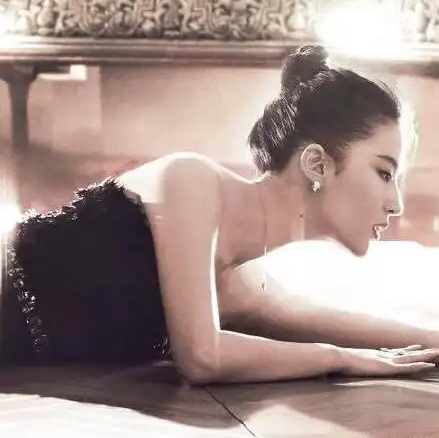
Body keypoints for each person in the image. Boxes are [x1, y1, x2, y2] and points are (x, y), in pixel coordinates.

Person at [2, 44, 439, 385]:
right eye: (384, 173)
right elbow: (202, 357)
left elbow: (333, 323)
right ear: (316, 164)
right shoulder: (190, 181)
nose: (397, 203)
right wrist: (339, 359)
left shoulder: (240, 285)